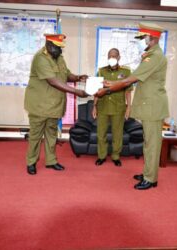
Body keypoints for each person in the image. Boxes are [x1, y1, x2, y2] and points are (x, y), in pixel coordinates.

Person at [95, 22, 169, 190]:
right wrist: (112, 83)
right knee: (148, 143)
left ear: (152, 38)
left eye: (143, 38)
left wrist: (110, 86)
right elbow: (133, 79)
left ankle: (151, 179)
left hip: (153, 106)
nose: (140, 41)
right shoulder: (151, 55)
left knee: (152, 144)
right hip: (149, 105)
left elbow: (131, 79)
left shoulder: (155, 56)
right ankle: (147, 173)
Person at [24, 33, 88, 175]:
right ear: (49, 45)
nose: (60, 50)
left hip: (55, 105)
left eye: (60, 48)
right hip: (39, 105)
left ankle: (51, 161)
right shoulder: (41, 58)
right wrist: (76, 92)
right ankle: (31, 162)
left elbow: (66, 74)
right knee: (35, 136)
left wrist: (78, 77)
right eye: (57, 48)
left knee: (52, 134)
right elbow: (53, 81)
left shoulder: (58, 57)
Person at [92, 48, 132, 167]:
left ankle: (116, 156)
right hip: (103, 106)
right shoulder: (101, 71)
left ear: (119, 57)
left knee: (117, 134)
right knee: (101, 134)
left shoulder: (126, 72)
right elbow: (96, 90)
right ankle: (101, 156)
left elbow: (128, 91)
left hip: (118, 107)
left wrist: (129, 107)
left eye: (114, 56)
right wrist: (94, 106)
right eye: (110, 56)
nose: (112, 58)